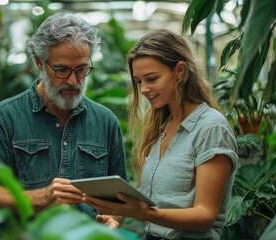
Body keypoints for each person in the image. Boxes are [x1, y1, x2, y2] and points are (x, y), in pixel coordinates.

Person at [0, 12, 127, 226]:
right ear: (39, 62)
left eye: (82, 69)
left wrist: (114, 219)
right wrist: (44, 196)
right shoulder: (4, 118)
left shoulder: (105, 121)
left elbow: (120, 198)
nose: (73, 81)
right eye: (62, 70)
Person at [83, 29, 239, 239]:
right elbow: (160, 203)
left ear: (180, 71)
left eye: (152, 78)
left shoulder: (211, 127)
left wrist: (145, 213)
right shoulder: (162, 127)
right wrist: (118, 213)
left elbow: (205, 215)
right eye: (139, 82)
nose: (144, 89)